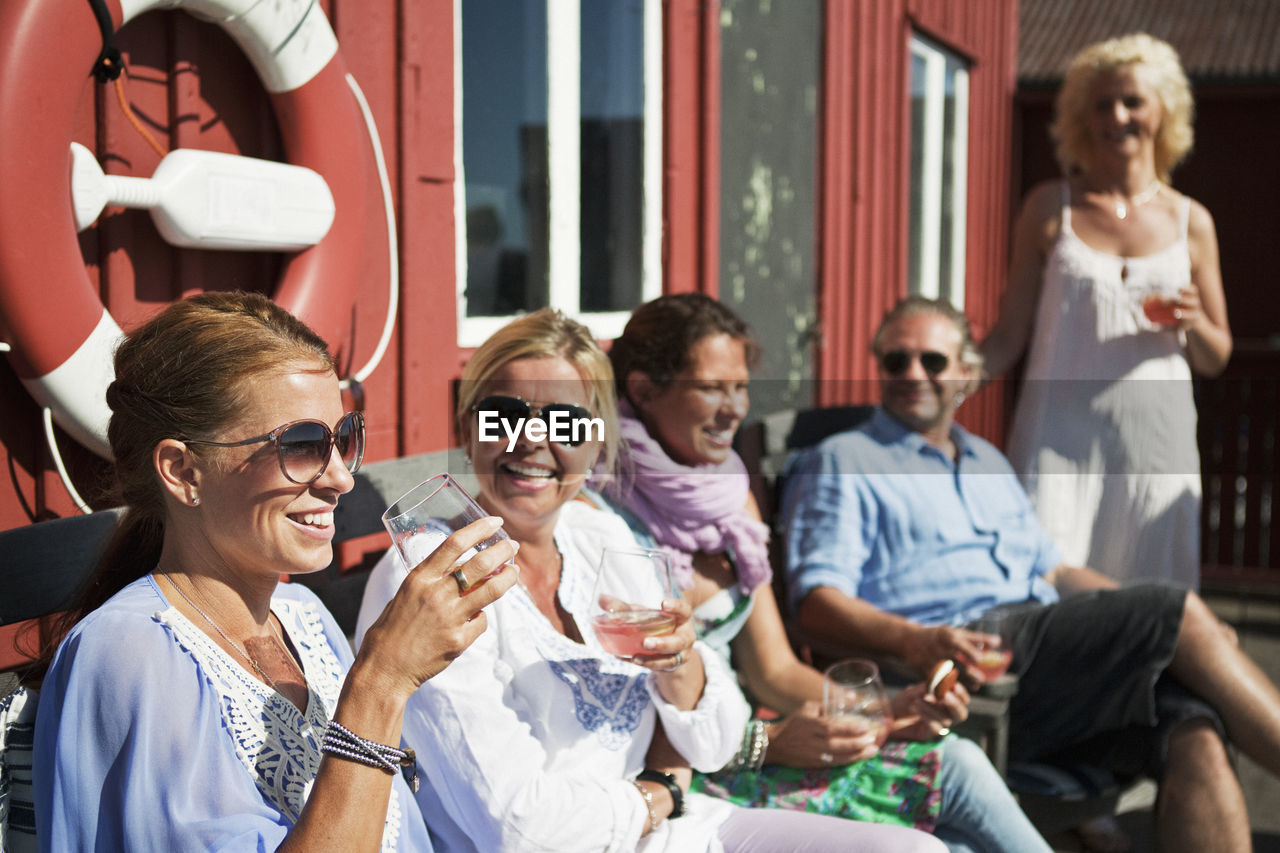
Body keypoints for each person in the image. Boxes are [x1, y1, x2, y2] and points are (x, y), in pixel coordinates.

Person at [355, 308, 946, 853]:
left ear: (597, 443)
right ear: (468, 427)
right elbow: (515, 828)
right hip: (592, 837)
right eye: (505, 416)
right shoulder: (432, 577)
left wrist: (681, 663)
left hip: (674, 832)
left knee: (916, 851)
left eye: (564, 422)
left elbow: (719, 737)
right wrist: (659, 791)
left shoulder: (597, 534)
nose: (532, 439)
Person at [783, 296, 1280, 853]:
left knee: (1194, 728)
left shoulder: (987, 461)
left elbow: (1057, 569)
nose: (913, 375)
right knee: (1180, 610)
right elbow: (815, 602)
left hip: (1049, 663)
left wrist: (1187, 636)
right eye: (896, 361)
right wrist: (916, 640)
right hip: (968, 671)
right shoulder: (845, 460)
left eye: (933, 361)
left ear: (966, 374)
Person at [32, 291, 518, 850]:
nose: (341, 478)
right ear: (183, 471)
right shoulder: (130, 650)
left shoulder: (302, 614)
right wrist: (382, 682)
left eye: (343, 439)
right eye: (303, 444)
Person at [599, 293, 1052, 853]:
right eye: (713, 388)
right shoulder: (605, 513)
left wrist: (886, 710)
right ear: (643, 390)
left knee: (955, 801)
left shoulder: (728, 499)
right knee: (952, 788)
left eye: (741, 388)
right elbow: (621, 711)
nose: (734, 408)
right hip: (686, 773)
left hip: (750, 736)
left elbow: (775, 671)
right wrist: (764, 743)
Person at [980, 32, 1232, 589]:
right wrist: (942, 379)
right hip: (1056, 438)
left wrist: (1192, 323)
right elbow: (1008, 335)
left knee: (1150, 604)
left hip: (1154, 446)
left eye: (1133, 101)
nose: (1117, 116)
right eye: (1102, 104)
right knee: (1045, 590)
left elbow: (1217, 356)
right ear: (1080, 117)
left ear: (1163, 111)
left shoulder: (1193, 222)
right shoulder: (1049, 207)